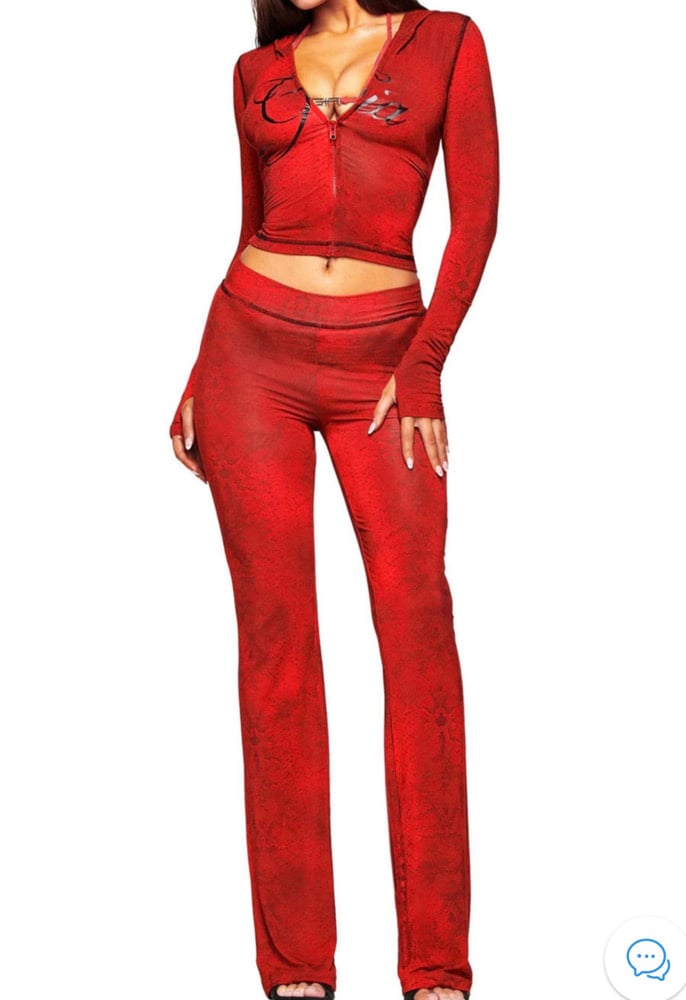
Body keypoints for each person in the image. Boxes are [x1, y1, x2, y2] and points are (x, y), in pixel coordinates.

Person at [169, 1, 499, 998]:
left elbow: (476, 216)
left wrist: (426, 364)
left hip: (385, 365)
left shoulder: (449, 42)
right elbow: (250, 223)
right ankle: (296, 966)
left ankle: (435, 966)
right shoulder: (255, 68)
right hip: (247, 356)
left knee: (417, 630)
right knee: (275, 645)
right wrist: (200, 370)